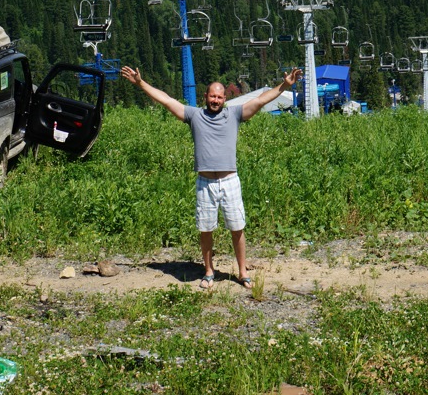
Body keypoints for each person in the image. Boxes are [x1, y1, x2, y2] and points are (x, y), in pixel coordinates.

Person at [120, 65, 302, 289]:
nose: (215, 100)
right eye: (212, 96)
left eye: (219, 96)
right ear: (205, 97)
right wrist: (140, 83)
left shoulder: (234, 114)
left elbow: (261, 100)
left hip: (229, 181)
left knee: (237, 228)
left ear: (225, 98)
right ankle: (208, 271)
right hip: (205, 183)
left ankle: (243, 272)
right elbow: (166, 100)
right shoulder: (193, 115)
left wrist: (284, 86)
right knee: (206, 229)